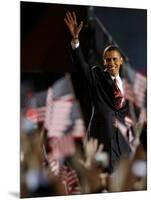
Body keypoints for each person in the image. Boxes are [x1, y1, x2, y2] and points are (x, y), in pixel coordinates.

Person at [64, 11, 132, 173]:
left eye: (114, 59)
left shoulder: (128, 85)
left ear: (121, 60)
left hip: (122, 145)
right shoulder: (97, 76)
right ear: (103, 61)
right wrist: (75, 41)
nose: (111, 63)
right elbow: (82, 66)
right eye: (107, 59)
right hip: (101, 139)